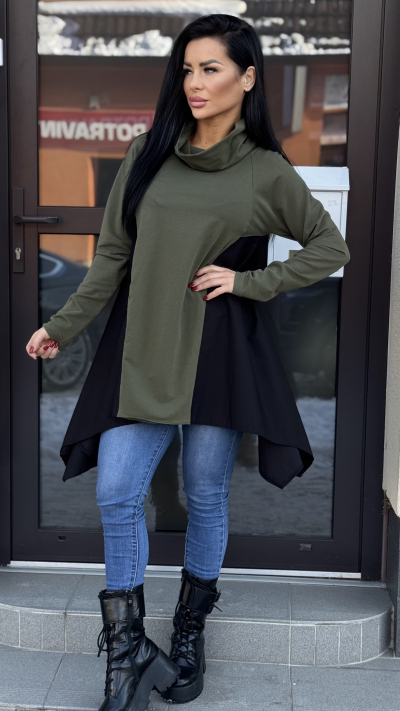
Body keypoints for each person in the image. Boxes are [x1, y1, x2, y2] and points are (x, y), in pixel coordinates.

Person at [26, 13, 350, 711]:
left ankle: (189, 630)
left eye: (211, 68)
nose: (194, 82)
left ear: (247, 78)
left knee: (204, 493)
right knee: (118, 491)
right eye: (187, 69)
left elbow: (330, 247)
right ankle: (128, 652)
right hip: (143, 347)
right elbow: (112, 256)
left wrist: (249, 281)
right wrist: (63, 325)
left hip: (218, 351)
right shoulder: (147, 153)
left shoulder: (265, 170)